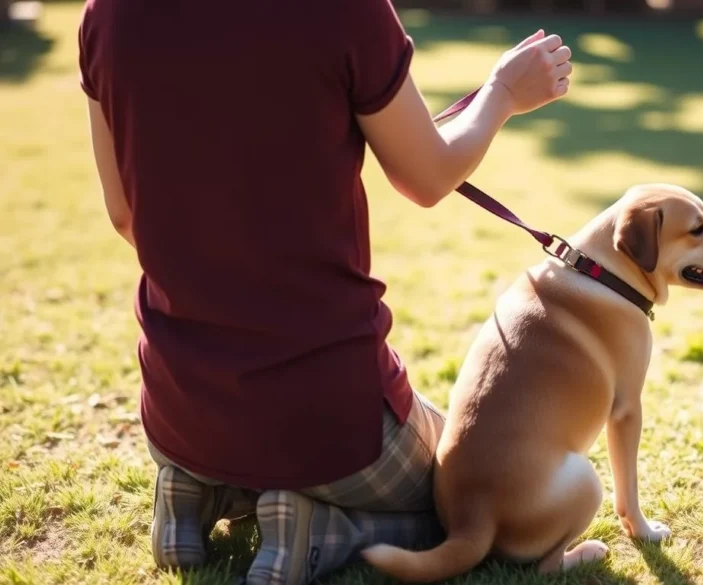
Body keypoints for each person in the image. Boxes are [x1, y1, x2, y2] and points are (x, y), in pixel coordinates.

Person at [77, 0, 572, 582]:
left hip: (180, 416)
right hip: (335, 430)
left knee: (232, 451)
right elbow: (428, 174)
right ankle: (326, 533)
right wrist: (504, 92)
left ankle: (191, 498)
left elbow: (123, 214)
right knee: (474, 492)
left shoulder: (107, 14)